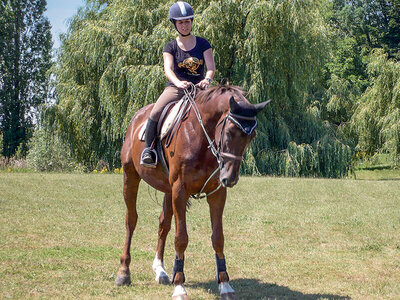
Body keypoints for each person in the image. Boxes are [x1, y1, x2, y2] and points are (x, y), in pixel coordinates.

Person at [140, 1, 216, 168]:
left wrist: (207, 80)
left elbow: (211, 68)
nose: (184, 25)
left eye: (187, 21)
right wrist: (178, 83)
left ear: (192, 22)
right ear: (174, 24)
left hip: (200, 88)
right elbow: (168, 70)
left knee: (219, 111)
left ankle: (221, 152)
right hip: (176, 88)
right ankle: (148, 151)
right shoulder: (171, 46)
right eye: (181, 22)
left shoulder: (203, 44)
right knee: (156, 111)